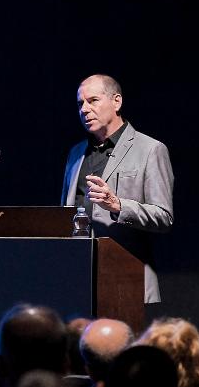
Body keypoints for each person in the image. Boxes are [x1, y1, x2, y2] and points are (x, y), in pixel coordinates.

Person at [61, 74, 173, 304]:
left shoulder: (150, 149)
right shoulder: (76, 153)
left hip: (126, 278)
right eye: (80, 104)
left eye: (93, 100)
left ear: (117, 101)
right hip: (78, 279)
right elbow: (64, 214)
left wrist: (118, 205)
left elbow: (164, 217)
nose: (84, 109)